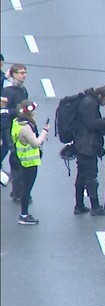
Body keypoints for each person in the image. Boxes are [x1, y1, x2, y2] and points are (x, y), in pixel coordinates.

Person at [72, 86, 105, 216]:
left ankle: (79, 205)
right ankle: (95, 207)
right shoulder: (89, 103)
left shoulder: (89, 101)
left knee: (81, 176)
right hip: (87, 146)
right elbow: (91, 124)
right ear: (100, 96)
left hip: (83, 144)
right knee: (91, 177)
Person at [11, 100, 48, 224]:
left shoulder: (16, 122)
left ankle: (24, 214)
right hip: (29, 162)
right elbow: (36, 143)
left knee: (24, 187)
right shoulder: (26, 128)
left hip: (21, 158)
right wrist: (45, 132)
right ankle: (24, 215)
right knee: (27, 189)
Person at [3, 64, 29, 201]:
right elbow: (4, 111)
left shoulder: (22, 90)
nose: (24, 75)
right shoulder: (8, 92)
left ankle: (19, 190)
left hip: (22, 127)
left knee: (21, 157)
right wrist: (19, 111)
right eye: (21, 73)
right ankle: (17, 191)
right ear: (13, 74)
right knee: (15, 158)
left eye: (25, 72)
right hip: (10, 128)